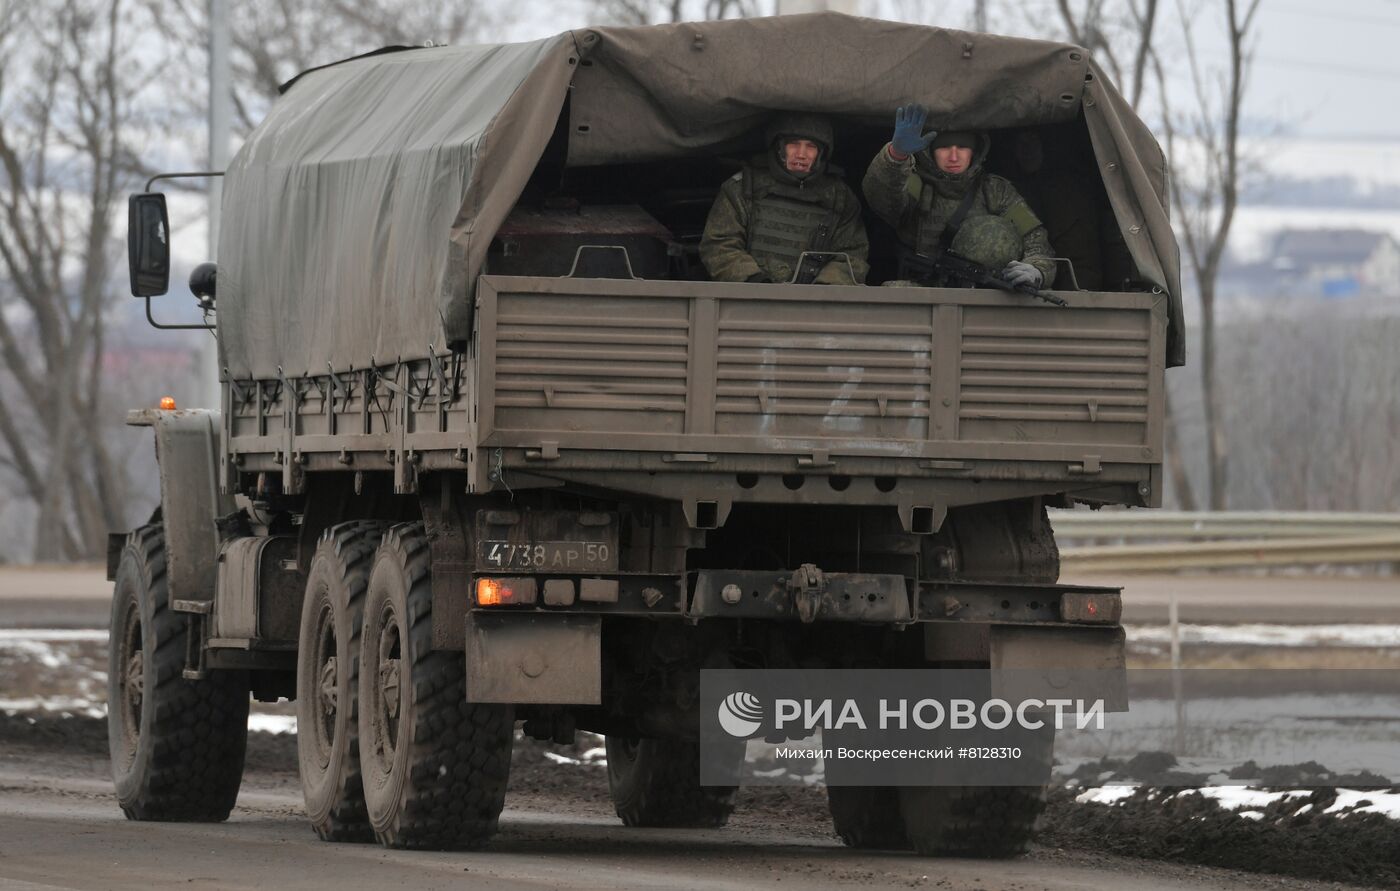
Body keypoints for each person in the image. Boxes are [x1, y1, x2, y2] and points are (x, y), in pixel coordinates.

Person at [862, 104, 1055, 289]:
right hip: (921, 292)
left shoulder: (996, 191)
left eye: (962, 147)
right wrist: (896, 156)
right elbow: (882, 200)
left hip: (987, 294)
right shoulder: (915, 183)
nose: (953, 157)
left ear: (975, 151)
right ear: (930, 151)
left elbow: (1035, 240)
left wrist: (1037, 270)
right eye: (944, 147)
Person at [700, 113, 869, 286]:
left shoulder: (840, 197)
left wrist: (824, 288)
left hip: (815, 306)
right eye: (793, 145)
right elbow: (719, 245)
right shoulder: (743, 188)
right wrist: (755, 281)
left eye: (811, 147)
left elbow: (853, 255)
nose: (801, 154)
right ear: (779, 148)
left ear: (821, 153)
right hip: (748, 300)